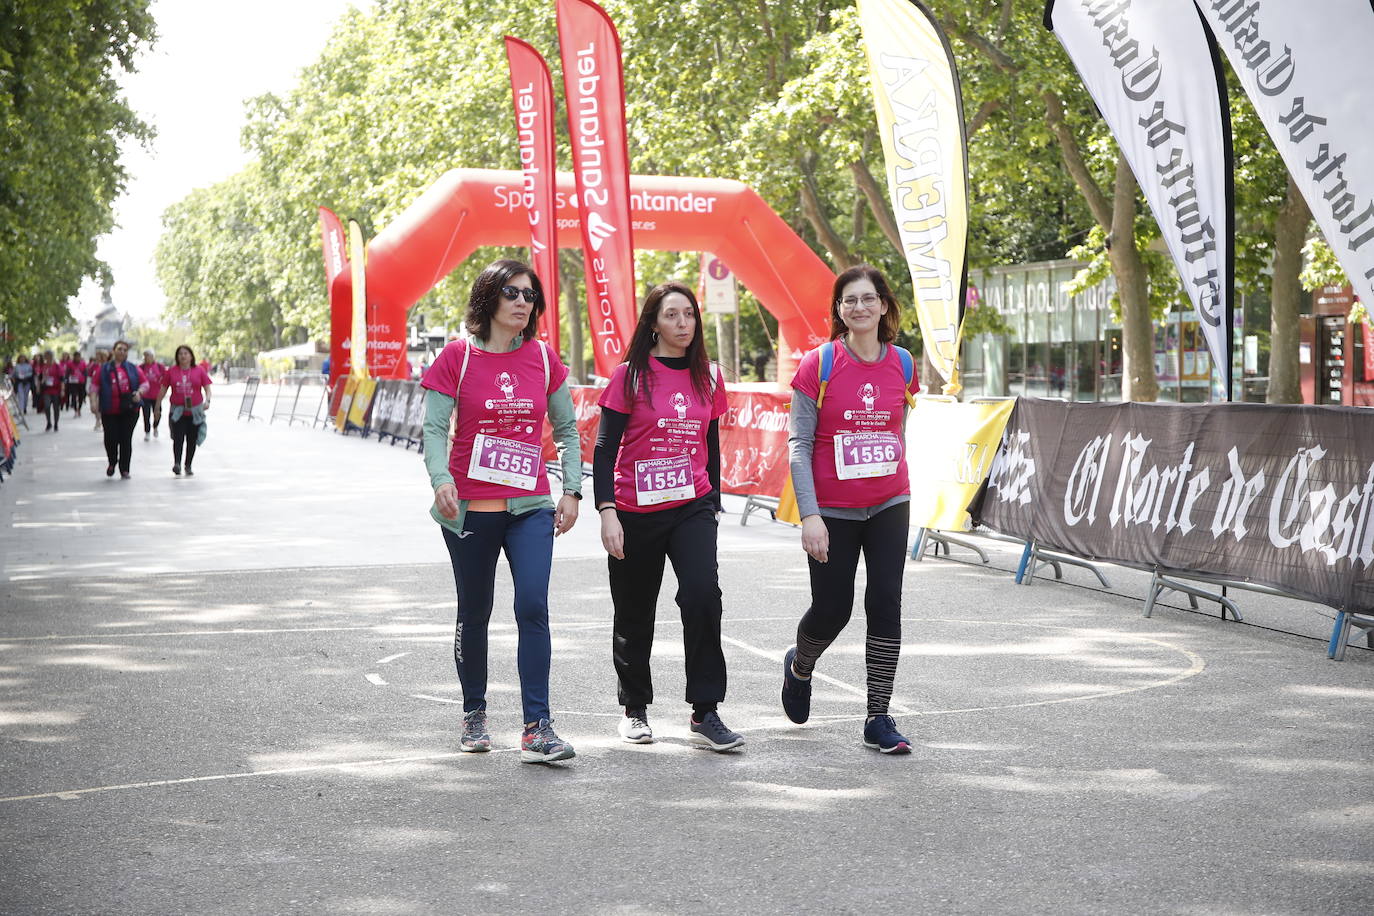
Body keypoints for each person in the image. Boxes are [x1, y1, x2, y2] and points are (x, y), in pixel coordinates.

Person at [419, 259, 582, 765]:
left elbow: (569, 430)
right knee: (476, 610)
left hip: (531, 508)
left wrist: (572, 490)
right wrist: (441, 479)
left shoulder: (543, 358)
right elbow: (431, 430)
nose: (521, 302)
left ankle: (538, 727)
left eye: (530, 296)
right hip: (471, 510)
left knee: (533, 605)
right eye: (511, 292)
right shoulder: (457, 357)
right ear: (489, 297)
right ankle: (474, 713)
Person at [594, 281, 741, 752]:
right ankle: (634, 708)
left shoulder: (709, 376)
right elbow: (604, 449)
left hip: (691, 507)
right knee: (634, 612)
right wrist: (607, 511)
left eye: (690, 315)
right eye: (672, 315)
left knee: (702, 595)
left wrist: (713, 503)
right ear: (653, 322)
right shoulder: (630, 376)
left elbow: (710, 444)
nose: (683, 324)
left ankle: (705, 710)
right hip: (634, 509)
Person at [781, 264, 920, 754]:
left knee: (885, 600)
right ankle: (800, 665)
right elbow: (800, 444)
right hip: (832, 510)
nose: (858, 308)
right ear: (839, 311)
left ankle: (878, 716)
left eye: (867, 299)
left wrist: (895, 478)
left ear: (884, 306)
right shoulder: (818, 364)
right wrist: (810, 515)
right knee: (833, 609)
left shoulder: (902, 363)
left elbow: (896, 431)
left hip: (888, 501)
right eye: (848, 301)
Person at [97, 340, 141, 478]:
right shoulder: (104, 369)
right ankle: (112, 461)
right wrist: (93, 402)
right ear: (113, 350)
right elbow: (94, 386)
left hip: (129, 410)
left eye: (125, 350)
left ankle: (125, 469)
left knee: (125, 439)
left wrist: (139, 393)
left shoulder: (133, 368)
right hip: (109, 410)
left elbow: (144, 383)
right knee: (110, 438)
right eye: (119, 349)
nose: (122, 352)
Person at [166, 345, 211, 476]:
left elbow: (207, 388)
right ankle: (177, 463)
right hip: (178, 411)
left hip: (195, 412)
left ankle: (188, 465)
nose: (183, 356)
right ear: (177, 357)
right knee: (178, 438)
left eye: (186, 353)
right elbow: (163, 388)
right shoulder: (171, 371)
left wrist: (207, 400)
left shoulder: (199, 370)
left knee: (192, 439)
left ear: (191, 356)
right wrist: (157, 406)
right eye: (180, 354)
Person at [138, 348, 167, 440]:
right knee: (146, 415)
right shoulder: (141, 367)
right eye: (145, 356)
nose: (146, 358)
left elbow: (166, 378)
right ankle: (147, 432)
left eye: (148, 355)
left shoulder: (159, 366)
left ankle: (155, 426)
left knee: (157, 413)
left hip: (157, 396)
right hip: (145, 396)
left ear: (153, 357)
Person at [38, 350, 63, 431]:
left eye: (49, 356)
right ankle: (49, 422)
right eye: (46, 356)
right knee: (47, 406)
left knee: (56, 408)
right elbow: (40, 378)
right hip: (46, 390)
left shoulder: (57, 366)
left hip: (56, 390)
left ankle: (56, 423)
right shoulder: (44, 366)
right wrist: (39, 385)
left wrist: (62, 390)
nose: (48, 358)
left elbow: (62, 379)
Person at [87, 350, 107, 431]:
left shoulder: (107, 365)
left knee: (102, 406)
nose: (97, 357)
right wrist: (88, 388)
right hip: (95, 389)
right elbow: (89, 377)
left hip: (104, 389)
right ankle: (98, 420)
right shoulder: (93, 366)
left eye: (99, 356)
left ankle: (101, 421)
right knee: (95, 407)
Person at [65, 351, 87, 416]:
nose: (77, 358)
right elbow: (67, 373)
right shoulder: (70, 363)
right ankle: (75, 410)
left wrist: (84, 380)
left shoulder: (83, 363)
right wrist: (67, 380)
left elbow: (85, 373)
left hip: (81, 383)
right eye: (76, 357)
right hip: (73, 383)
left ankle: (79, 409)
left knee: (81, 397)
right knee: (73, 396)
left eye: (78, 357)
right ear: (74, 357)